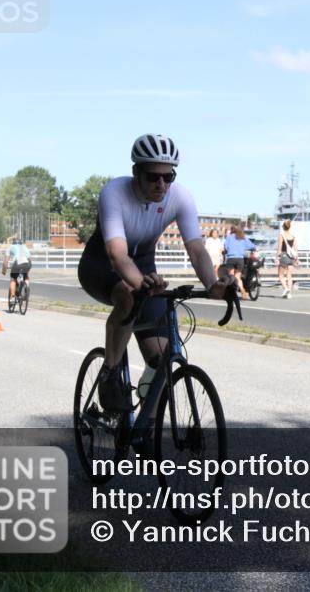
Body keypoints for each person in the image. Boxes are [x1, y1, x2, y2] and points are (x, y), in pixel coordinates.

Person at [77, 134, 228, 413]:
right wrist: (139, 283)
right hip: (101, 266)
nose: (161, 184)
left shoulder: (179, 196)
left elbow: (196, 248)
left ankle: (145, 425)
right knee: (128, 294)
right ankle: (111, 374)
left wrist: (213, 284)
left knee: (161, 360)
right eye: (152, 176)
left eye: (168, 176)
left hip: (145, 266)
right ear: (136, 172)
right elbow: (117, 255)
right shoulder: (114, 192)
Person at [223, 225, 255, 299]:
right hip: (240, 259)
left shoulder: (229, 237)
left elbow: (226, 247)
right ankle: (242, 290)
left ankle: (231, 293)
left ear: (232, 231)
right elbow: (251, 246)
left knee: (231, 277)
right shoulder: (243, 237)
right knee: (237, 277)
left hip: (231, 259)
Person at [276, 219, 297, 298]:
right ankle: (289, 294)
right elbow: (295, 248)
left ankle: (286, 288)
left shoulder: (282, 235)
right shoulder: (293, 236)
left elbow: (279, 248)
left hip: (284, 255)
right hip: (291, 257)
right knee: (289, 276)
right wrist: (296, 258)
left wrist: (277, 257)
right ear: (289, 227)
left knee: (281, 275)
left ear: (283, 227)